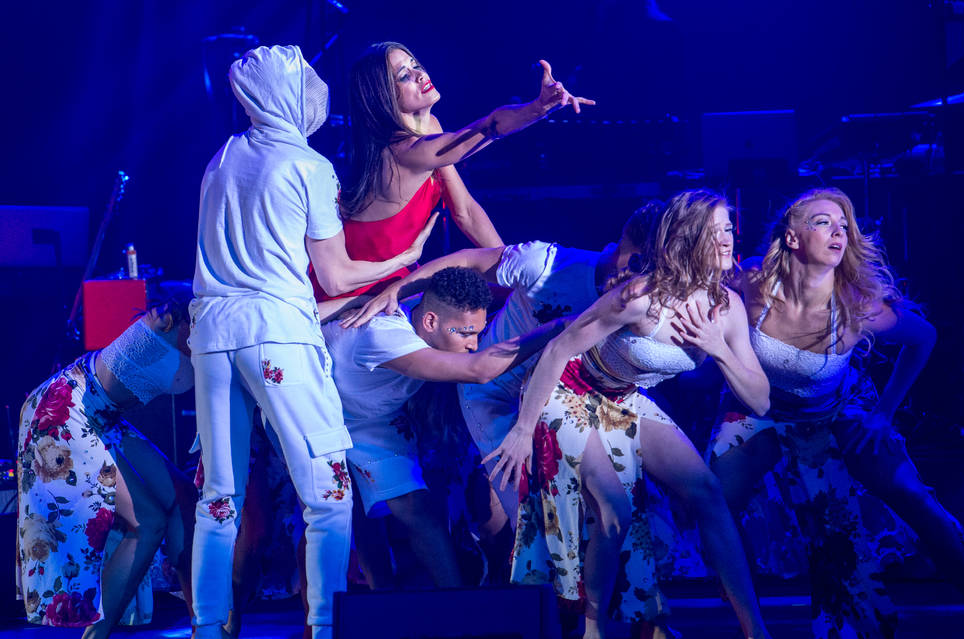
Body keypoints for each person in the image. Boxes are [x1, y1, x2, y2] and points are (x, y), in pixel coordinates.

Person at [698, 187, 964, 639]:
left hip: (833, 410)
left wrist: (884, 413)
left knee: (914, 498)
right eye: (823, 222)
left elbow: (924, 338)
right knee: (713, 499)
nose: (839, 232)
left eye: (844, 225)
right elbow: (697, 284)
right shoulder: (753, 282)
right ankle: (750, 627)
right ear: (792, 237)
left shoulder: (858, 306)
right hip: (757, 411)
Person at [189, 45, 434, 639]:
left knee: (219, 498)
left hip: (213, 339)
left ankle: (207, 627)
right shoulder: (308, 164)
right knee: (328, 492)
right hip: (277, 334)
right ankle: (326, 627)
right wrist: (406, 258)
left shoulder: (222, 157)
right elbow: (337, 275)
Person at [483, 190, 772, 639]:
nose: (726, 239)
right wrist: (523, 429)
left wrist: (718, 348)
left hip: (622, 397)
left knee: (707, 492)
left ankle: (755, 630)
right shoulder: (640, 297)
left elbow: (761, 401)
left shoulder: (727, 308)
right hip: (568, 388)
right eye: (712, 231)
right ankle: (593, 629)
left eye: (728, 228)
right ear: (685, 238)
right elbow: (557, 350)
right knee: (614, 509)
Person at [344, 201, 663, 527]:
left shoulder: (644, 300)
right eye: (639, 264)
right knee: (537, 520)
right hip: (494, 395)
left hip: (561, 403)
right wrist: (397, 290)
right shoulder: (547, 264)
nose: (638, 279)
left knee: (616, 509)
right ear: (628, 247)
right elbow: (468, 259)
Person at [322, 267, 568, 590]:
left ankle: (457, 609)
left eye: (477, 333)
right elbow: (479, 370)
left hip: (372, 418)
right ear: (430, 322)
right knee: (334, 512)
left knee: (417, 509)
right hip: (320, 410)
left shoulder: (429, 309)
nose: (474, 344)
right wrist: (562, 328)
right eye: (465, 334)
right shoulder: (384, 336)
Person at [312, 41, 595, 316]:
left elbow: (465, 211)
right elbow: (490, 128)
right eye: (404, 76)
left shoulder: (430, 126)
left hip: (399, 276)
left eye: (415, 65)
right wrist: (538, 108)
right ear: (383, 97)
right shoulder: (403, 153)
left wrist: (508, 267)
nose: (419, 74)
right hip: (358, 290)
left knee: (508, 291)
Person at [16, 284, 196, 637]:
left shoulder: (192, 336)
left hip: (102, 411)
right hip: (66, 407)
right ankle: (96, 635)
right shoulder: (162, 325)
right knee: (149, 522)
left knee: (184, 496)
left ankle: (202, 624)